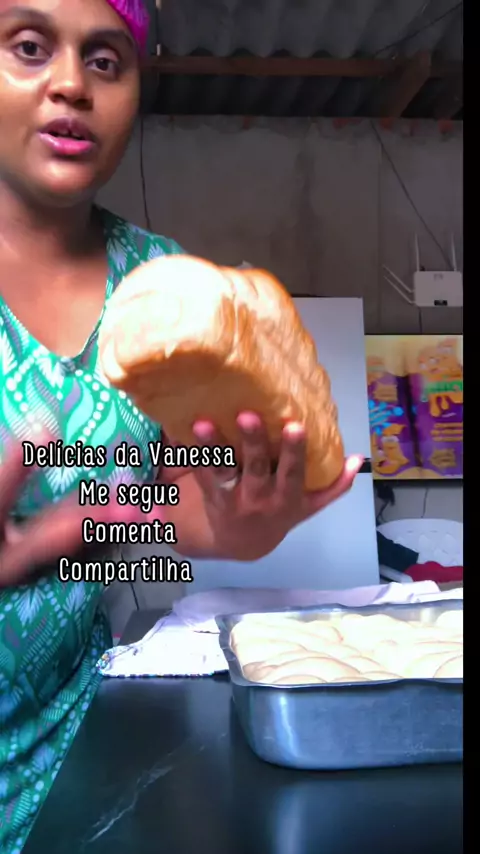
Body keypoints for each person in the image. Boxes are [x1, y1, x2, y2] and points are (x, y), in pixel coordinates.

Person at [0, 0, 362, 850]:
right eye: (29, 46)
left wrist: (230, 526)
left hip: (81, 751)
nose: (71, 85)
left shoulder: (157, 282)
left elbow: (151, 506)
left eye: (105, 60)